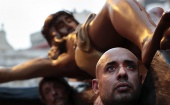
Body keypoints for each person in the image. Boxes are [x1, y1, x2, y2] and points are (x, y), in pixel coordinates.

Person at [0, 0, 169, 83]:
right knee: (114, 2)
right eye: (60, 25)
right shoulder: (58, 60)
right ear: (53, 37)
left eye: (68, 19)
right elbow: (11, 72)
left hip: (127, 50)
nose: (67, 24)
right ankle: (149, 40)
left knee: (156, 10)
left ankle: (155, 38)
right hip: (91, 47)